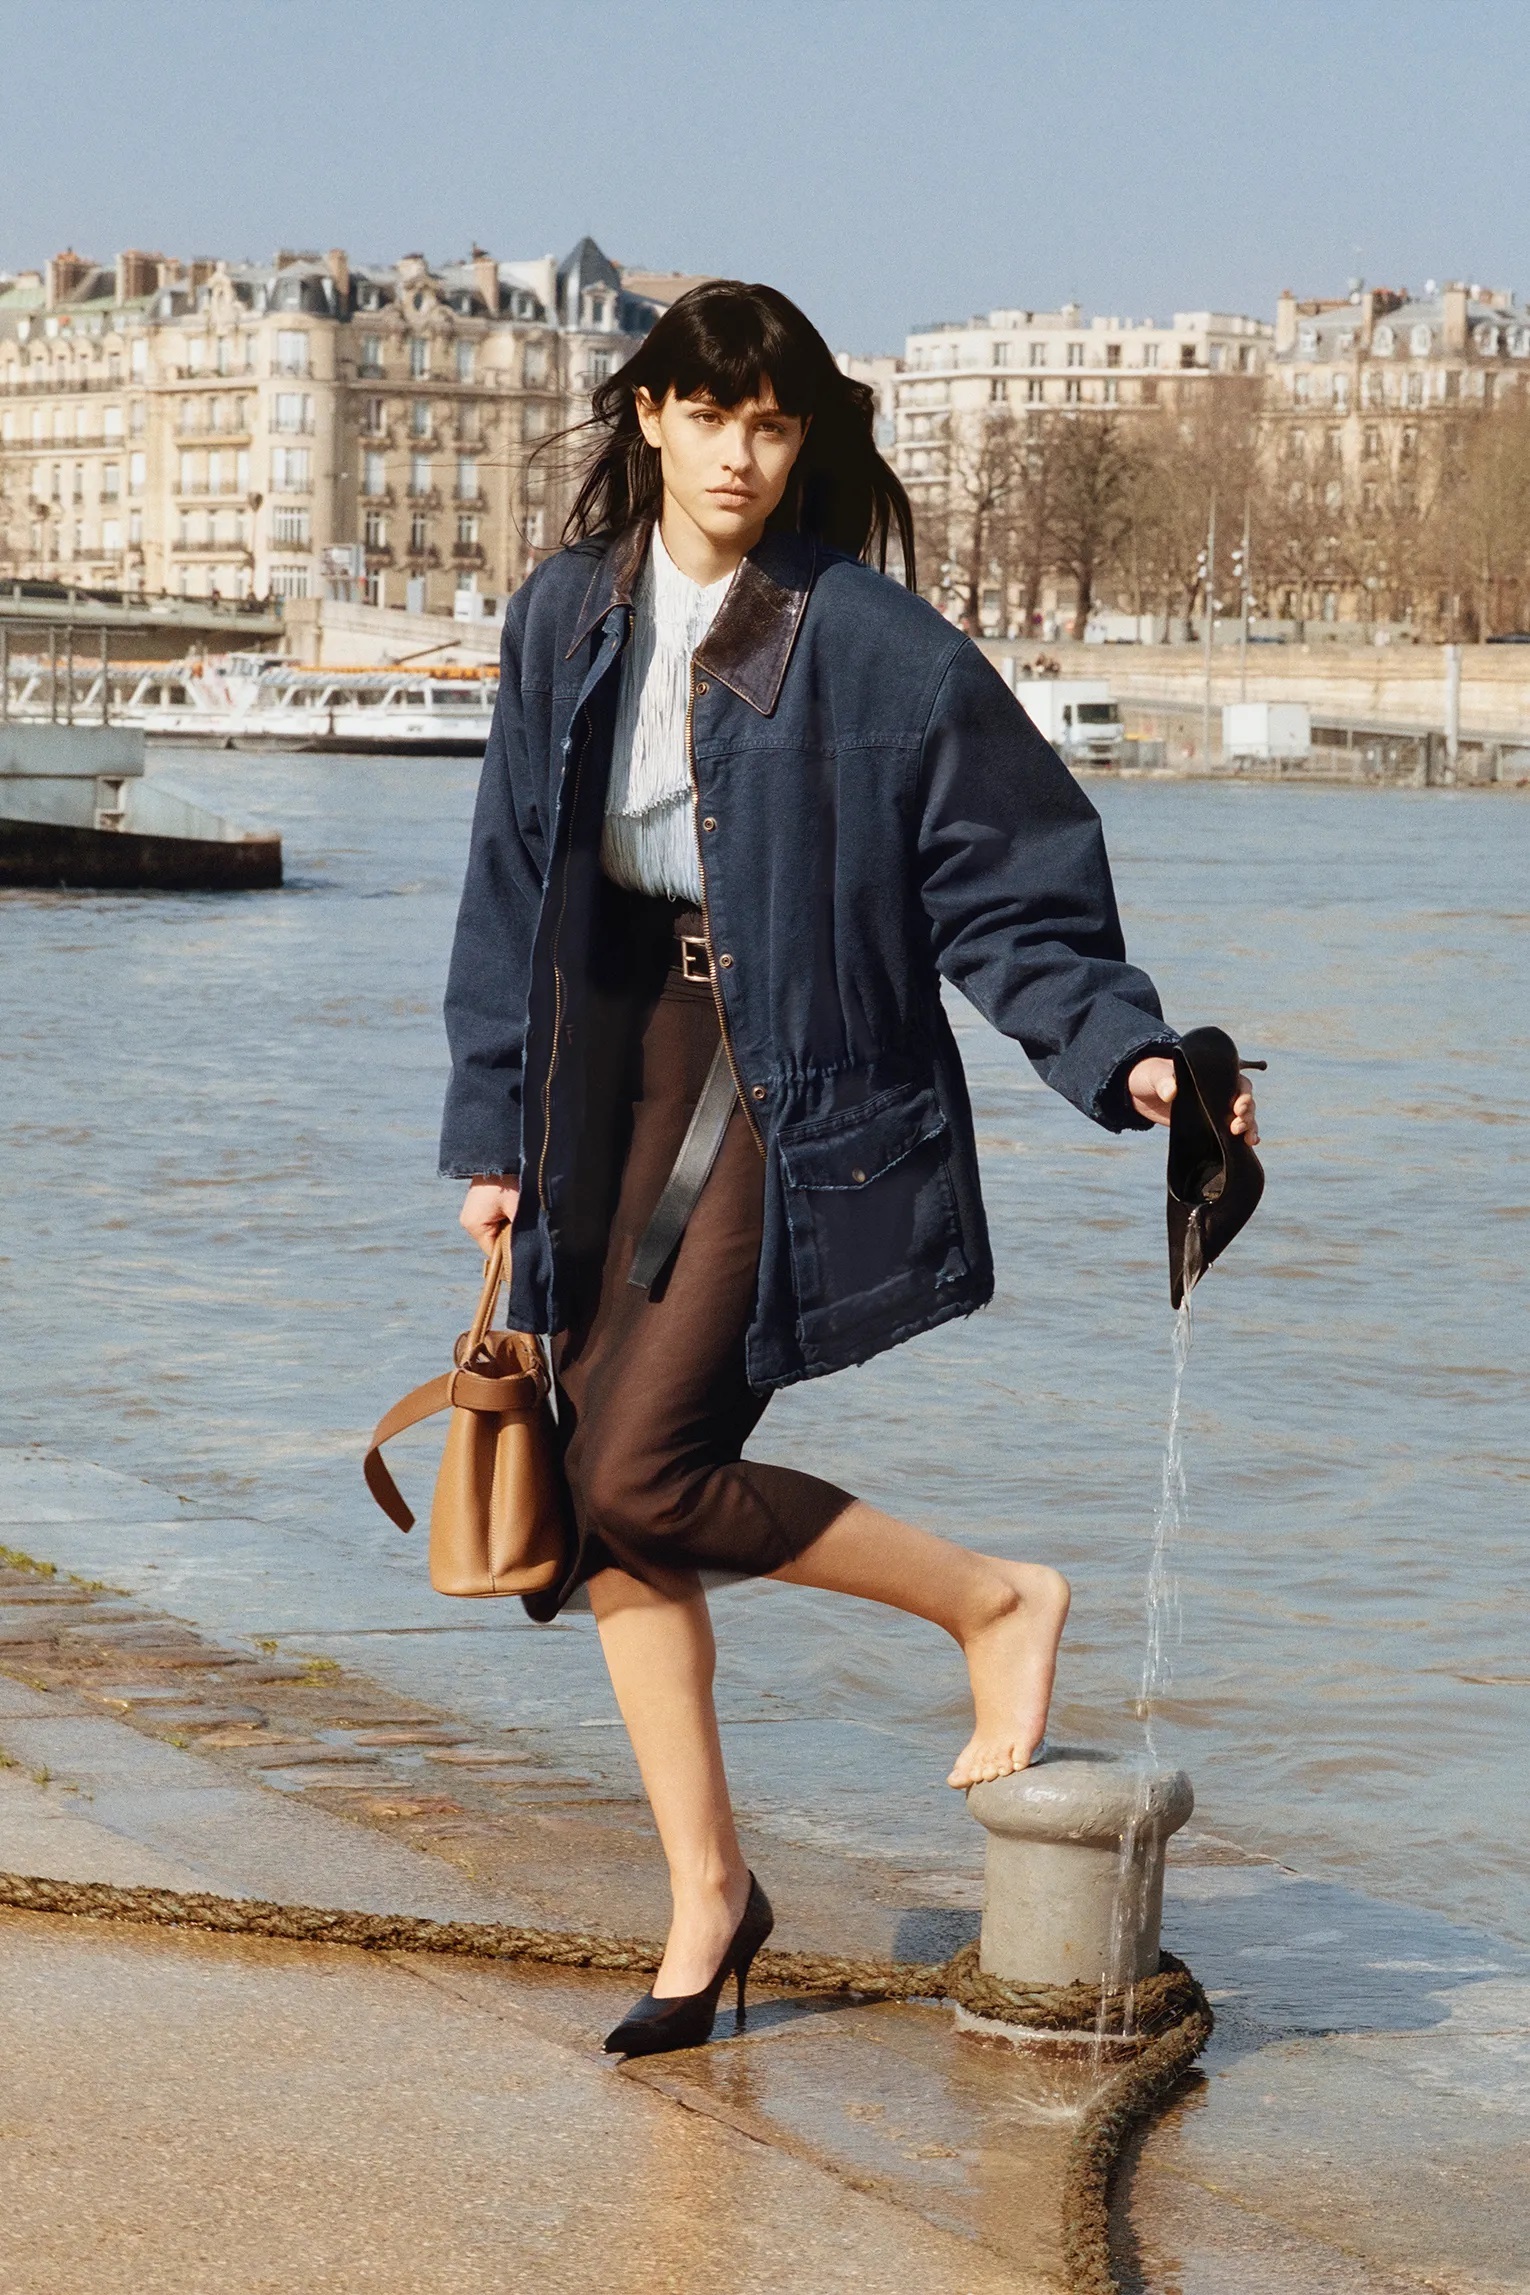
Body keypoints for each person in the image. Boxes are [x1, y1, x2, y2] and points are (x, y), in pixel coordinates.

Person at [439, 281, 1258, 2059]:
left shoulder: (868, 639)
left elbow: (1009, 884)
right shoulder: (563, 613)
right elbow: (508, 881)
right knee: (596, 1507)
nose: (739, 453)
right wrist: (492, 1132)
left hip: (788, 1069)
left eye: (772, 421)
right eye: (708, 414)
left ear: (803, 436)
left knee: (641, 1472)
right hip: (607, 1072)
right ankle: (707, 1901)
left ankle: (992, 1599)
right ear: (648, 415)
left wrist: (1124, 1053)